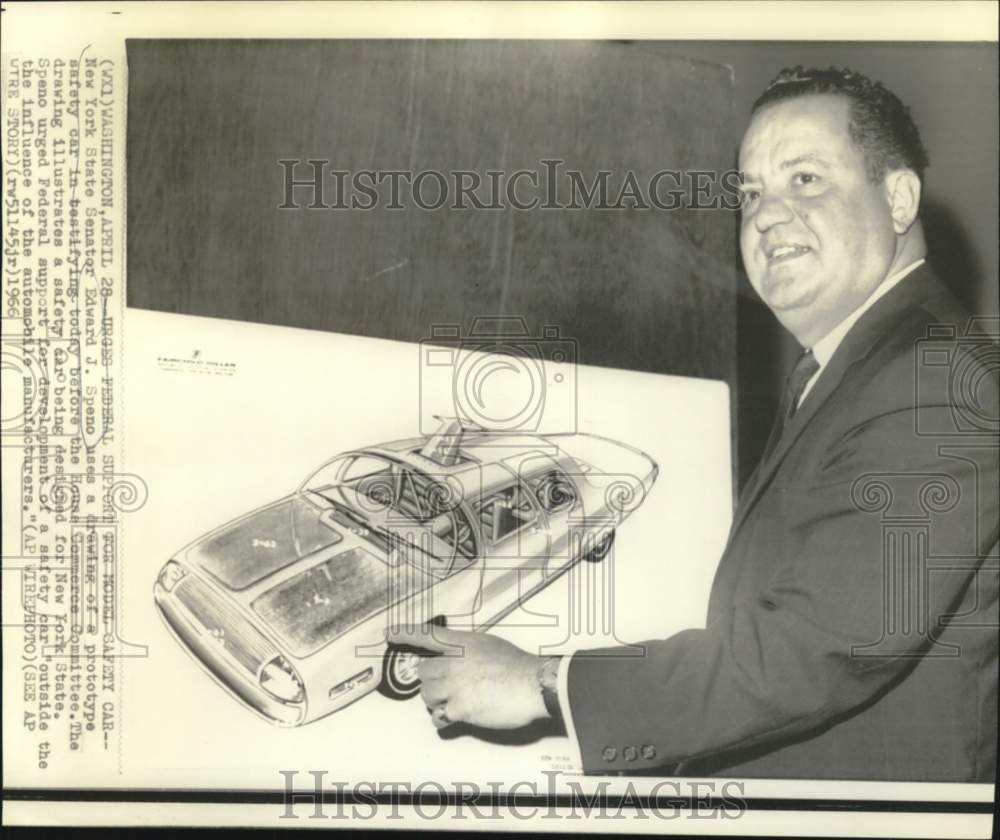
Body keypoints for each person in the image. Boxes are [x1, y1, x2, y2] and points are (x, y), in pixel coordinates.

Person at [389, 66, 999, 781]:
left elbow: (815, 647)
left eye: (804, 179)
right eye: (750, 192)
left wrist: (542, 682)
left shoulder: (937, 378)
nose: (766, 215)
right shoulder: (858, 370)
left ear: (898, 197)